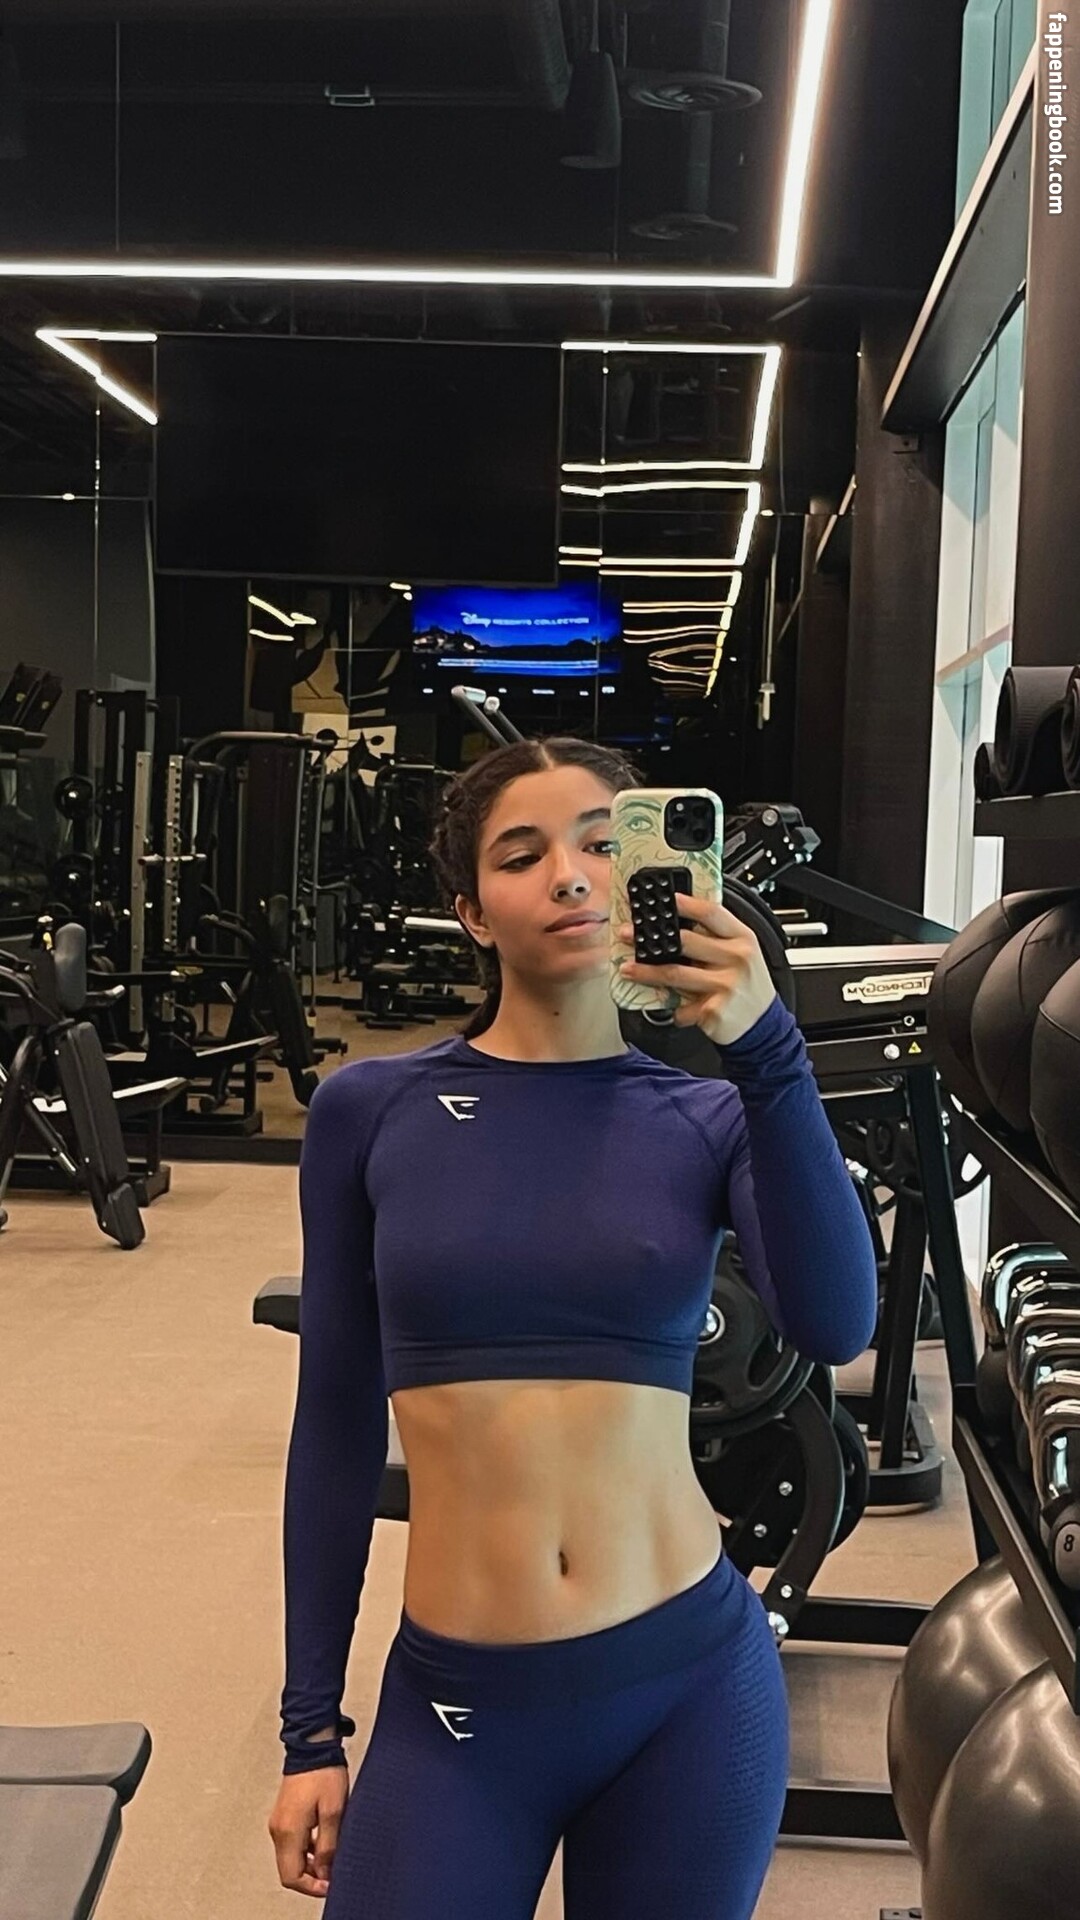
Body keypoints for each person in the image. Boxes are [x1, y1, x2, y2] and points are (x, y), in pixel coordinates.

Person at [268, 735, 878, 1917]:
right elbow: (334, 1422)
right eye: (521, 855)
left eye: (603, 845)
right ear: (471, 912)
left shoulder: (704, 1116)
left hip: (687, 1684)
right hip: (459, 1703)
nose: (570, 876)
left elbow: (835, 1319)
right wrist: (309, 1730)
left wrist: (766, 1047)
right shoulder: (369, 1111)